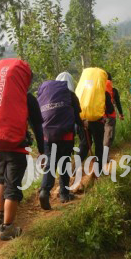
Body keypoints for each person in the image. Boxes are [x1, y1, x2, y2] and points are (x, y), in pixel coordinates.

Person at [0, 63, 44, 241]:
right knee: (12, 186)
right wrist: (43, 152)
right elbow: (37, 126)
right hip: (16, 148)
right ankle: (8, 228)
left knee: (0, 179)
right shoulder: (27, 98)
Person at [38, 71, 84, 210]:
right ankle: (64, 194)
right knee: (64, 163)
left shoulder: (47, 95)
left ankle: (44, 191)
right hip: (65, 136)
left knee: (51, 164)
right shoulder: (71, 95)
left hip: (47, 136)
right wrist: (82, 127)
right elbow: (77, 117)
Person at [103, 73, 124, 150]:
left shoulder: (98, 88)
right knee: (109, 136)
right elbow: (118, 102)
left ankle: (100, 155)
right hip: (110, 115)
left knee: (101, 136)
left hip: (99, 115)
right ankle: (105, 156)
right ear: (111, 80)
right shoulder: (113, 90)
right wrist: (121, 114)